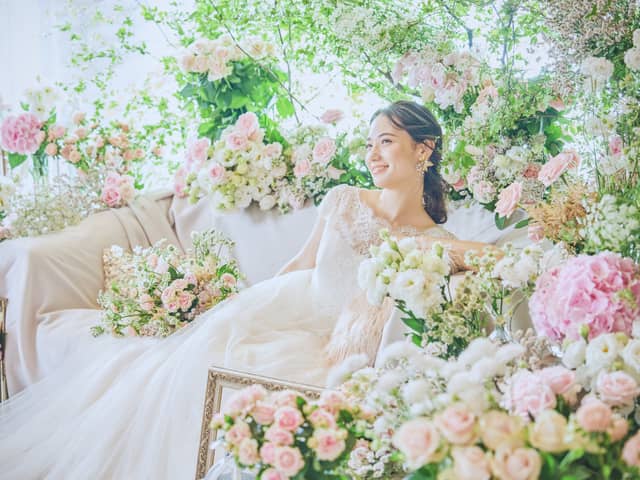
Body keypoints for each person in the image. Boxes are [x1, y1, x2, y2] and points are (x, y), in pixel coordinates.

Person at [0, 101, 489, 479]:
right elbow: (300, 263)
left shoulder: (437, 242)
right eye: (368, 144)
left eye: (386, 142)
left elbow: (491, 258)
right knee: (194, 361)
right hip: (286, 308)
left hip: (337, 342)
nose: (372, 155)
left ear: (423, 149)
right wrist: (236, 306)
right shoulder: (344, 199)